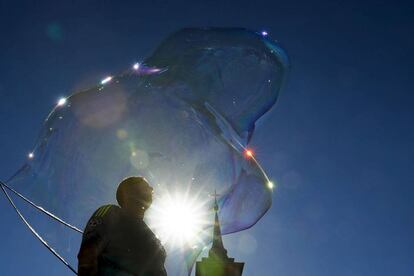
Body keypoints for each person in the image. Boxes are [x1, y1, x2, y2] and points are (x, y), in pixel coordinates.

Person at [78, 176, 167, 276]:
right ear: (129, 191)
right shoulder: (112, 213)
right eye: (145, 186)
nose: (151, 189)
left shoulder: (151, 236)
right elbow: (88, 254)